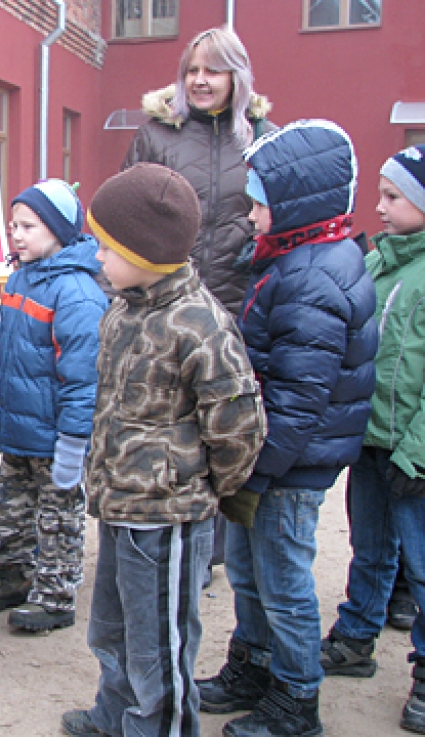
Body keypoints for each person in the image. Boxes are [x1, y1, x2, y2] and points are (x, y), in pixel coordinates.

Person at [60, 162, 266, 737]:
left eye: (105, 247)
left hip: (167, 520)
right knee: (111, 628)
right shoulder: (124, 310)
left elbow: (238, 426)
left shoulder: (200, 324)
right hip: (119, 506)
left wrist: (201, 488)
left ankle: (162, 727)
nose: (97, 257)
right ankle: (116, 714)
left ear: (145, 251)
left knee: (159, 644)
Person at [197, 120, 378, 737]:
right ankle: (252, 666)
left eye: (258, 202)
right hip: (267, 458)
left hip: (287, 464)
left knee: (283, 583)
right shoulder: (293, 258)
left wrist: (255, 463)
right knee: (248, 572)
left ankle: (296, 699)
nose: (249, 215)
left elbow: (302, 398)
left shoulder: (312, 276)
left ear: (297, 204)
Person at [123, 26, 275, 584]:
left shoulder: (261, 138)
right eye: (192, 69)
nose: (200, 80)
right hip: (165, 304)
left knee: (222, 419)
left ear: (238, 76)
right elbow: (128, 211)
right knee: (167, 417)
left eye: (213, 70)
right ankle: (167, 533)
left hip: (238, 301)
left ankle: (217, 544)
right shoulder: (158, 135)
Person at [0, 179, 107, 633]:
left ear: (60, 230)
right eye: (13, 226)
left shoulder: (78, 293)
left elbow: (84, 378)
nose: (18, 235)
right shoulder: (19, 279)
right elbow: (6, 357)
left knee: (58, 516)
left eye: (29, 225)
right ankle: (11, 574)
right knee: (9, 508)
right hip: (20, 431)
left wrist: (73, 442)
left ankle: (55, 594)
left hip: (56, 436)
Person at [318, 143, 425, 735]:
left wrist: (418, 452)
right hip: (372, 438)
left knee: (422, 561)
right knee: (372, 546)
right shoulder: (383, 263)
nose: (378, 207)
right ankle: (356, 636)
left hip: (413, 451)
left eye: (393, 196)